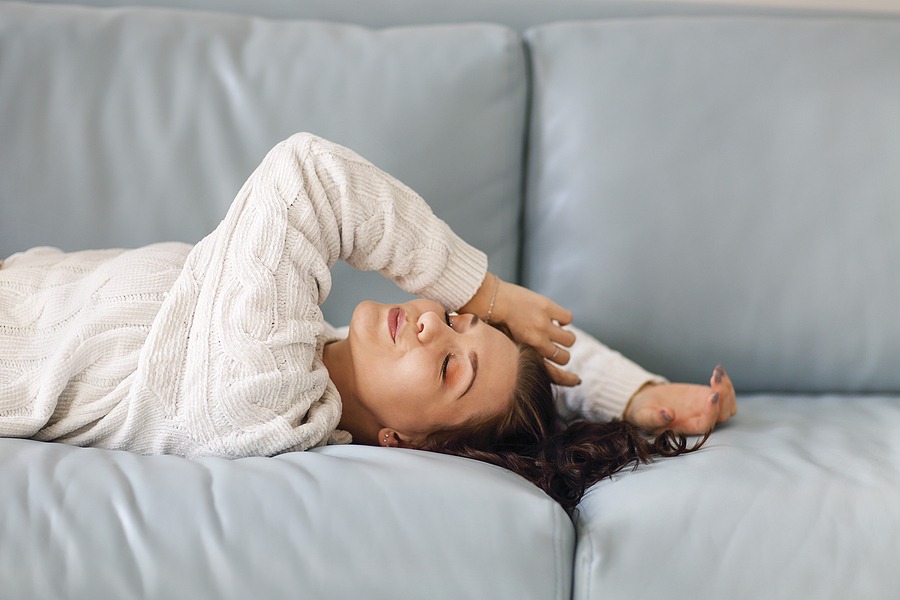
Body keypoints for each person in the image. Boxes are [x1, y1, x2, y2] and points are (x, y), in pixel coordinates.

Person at [0, 133, 736, 509]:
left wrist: (490, 294)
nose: (433, 324)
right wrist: (635, 396)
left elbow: (308, 176)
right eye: (454, 318)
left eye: (449, 364)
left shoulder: (263, 391)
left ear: (405, 443)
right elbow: (526, 377)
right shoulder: (301, 339)